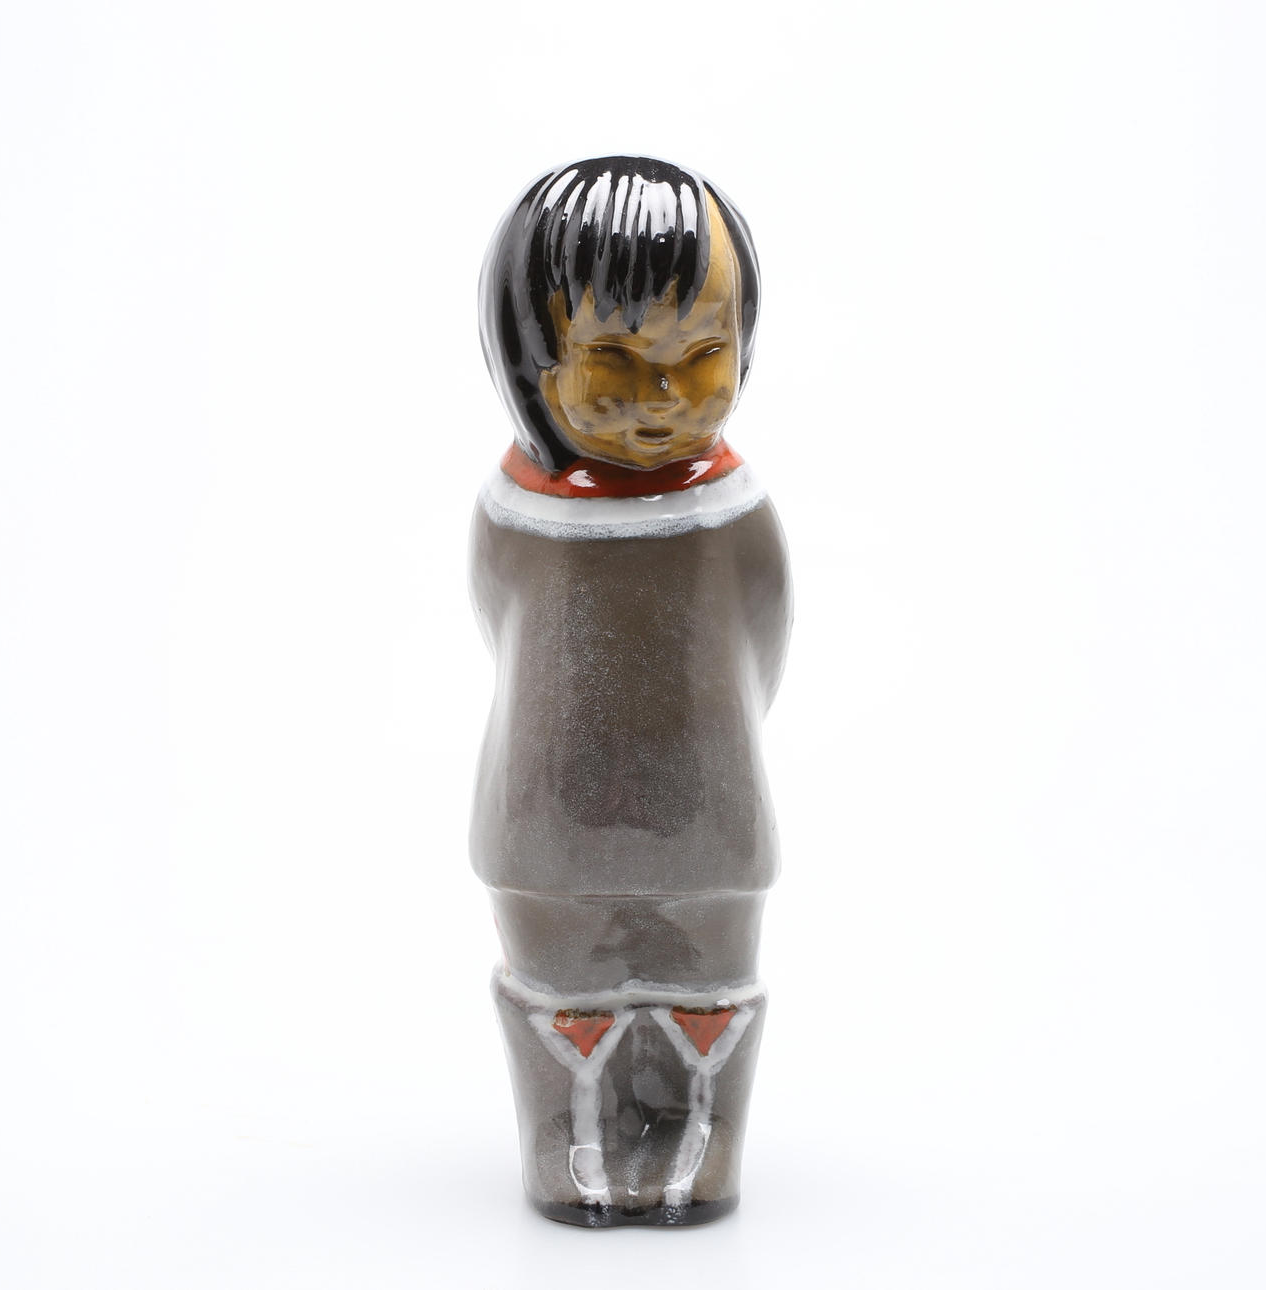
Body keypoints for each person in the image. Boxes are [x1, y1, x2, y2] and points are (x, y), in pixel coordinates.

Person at [471, 156, 791, 1227]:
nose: (661, 400)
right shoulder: (516, 512)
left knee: (705, 985)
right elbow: (501, 628)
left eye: (701, 358)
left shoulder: (733, 513)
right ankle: (569, 1139)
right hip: (541, 822)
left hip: (712, 822)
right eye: (613, 359)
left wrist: (710, 753)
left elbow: (762, 642)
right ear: (532, 352)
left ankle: (703, 1139)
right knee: (561, 985)